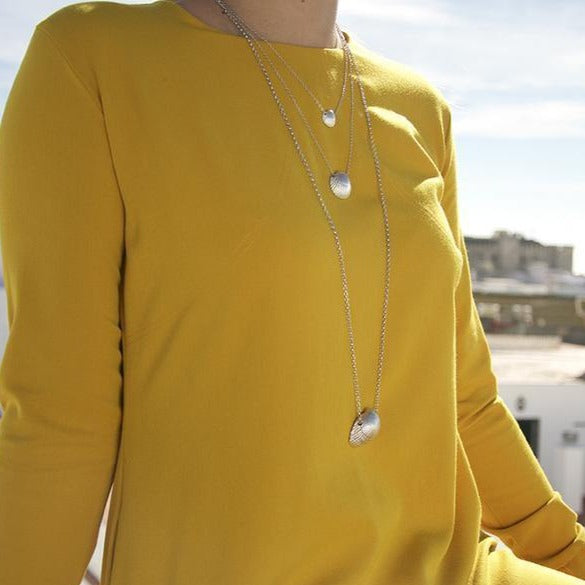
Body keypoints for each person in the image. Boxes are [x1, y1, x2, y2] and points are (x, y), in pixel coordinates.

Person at [0, 1, 584, 584]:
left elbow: (466, 399)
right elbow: (60, 421)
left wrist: (568, 556)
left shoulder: (422, 108)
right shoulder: (91, 59)